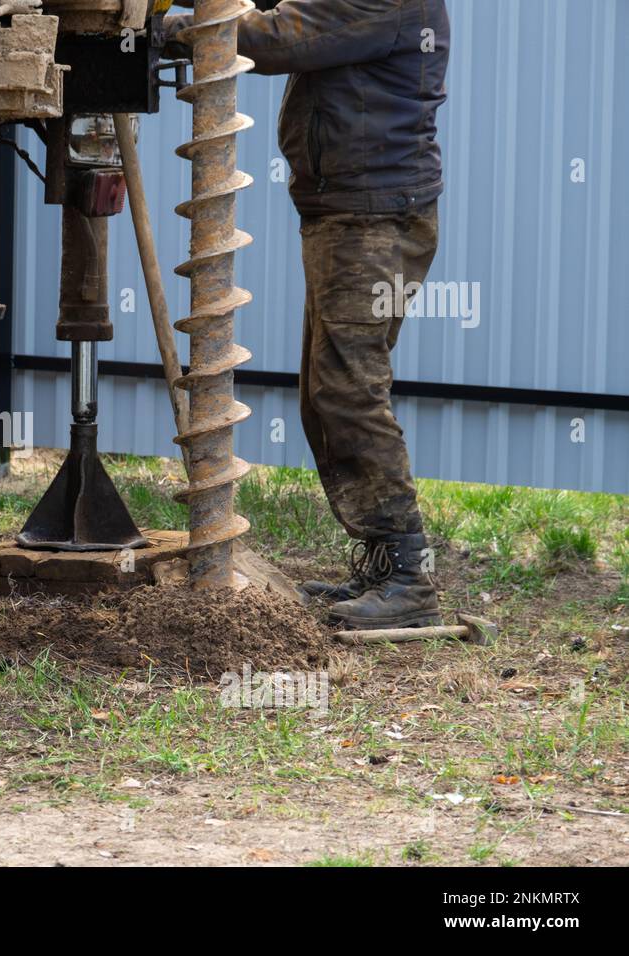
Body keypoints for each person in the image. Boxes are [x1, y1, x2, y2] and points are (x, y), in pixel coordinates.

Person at [235, 0, 451, 628]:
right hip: (352, 212)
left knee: (349, 391)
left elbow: (279, 37)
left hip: (373, 217)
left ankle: (410, 578)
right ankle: (384, 569)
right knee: (324, 393)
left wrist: (172, 27)